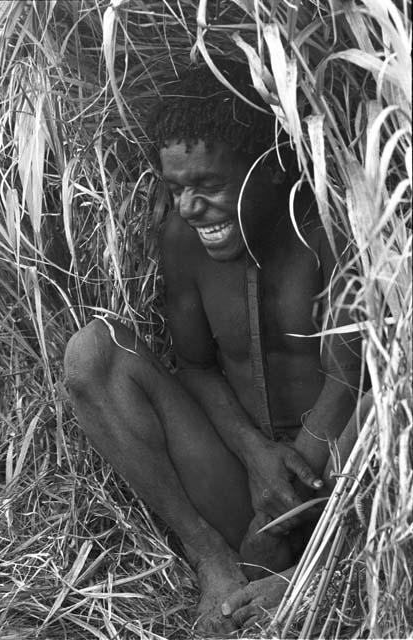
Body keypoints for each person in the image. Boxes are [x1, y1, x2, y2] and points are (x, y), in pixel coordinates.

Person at [64, 62, 365, 634]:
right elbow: (197, 368)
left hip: (337, 481)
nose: (187, 207)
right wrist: (254, 454)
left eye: (208, 185)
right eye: (176, 187)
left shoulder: (326, 233)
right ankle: (213, 560)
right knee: (90, 355)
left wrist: (288, 501)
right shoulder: (183, 242)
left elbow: (351, 382)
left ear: (268, 172)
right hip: (242, 474)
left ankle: (314, 571)